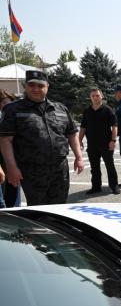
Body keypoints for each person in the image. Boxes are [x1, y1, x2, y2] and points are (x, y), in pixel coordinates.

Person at [0, 70, 84, 206]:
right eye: (31, 85)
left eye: (40, 86)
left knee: (60, 207)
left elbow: (71, 134)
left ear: (47, 87)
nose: (36, 89)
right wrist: (11, 167)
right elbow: (5, 140)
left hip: (60, 169)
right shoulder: (13, 110)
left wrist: (79, 157)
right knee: (38, 210)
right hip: (32, 171)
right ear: (25, 86)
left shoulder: (60, 109)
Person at [79, 88, 120, 195]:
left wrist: (113, 140)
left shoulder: (108, 110)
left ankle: (114, 186)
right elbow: (83, 127)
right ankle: (96, 187)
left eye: (97, 95)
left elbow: (114, 126)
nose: (95, 97)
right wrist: (79, 141)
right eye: (93, 96)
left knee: (110, 166)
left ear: (101, 96)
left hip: (106, 144)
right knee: (94, 168)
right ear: (90, 97)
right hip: (92, 145)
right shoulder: (87, 111)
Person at [0, 90, 21, 207]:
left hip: (13, 161)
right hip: (2, 163)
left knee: (13, 198)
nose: (4, 105)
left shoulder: (15, 118)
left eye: (6, 102)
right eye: (2, 102)